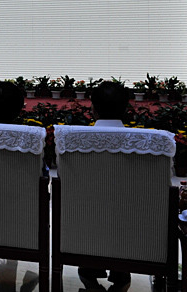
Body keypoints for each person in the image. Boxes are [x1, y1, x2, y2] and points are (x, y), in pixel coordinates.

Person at [77, 81, 132, 292]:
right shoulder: (149, 146)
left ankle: (89, 274)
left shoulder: (74, 143)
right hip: (132, 237)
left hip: (85, 235)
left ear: (93, 108)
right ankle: (121, 275)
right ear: (125, 110)